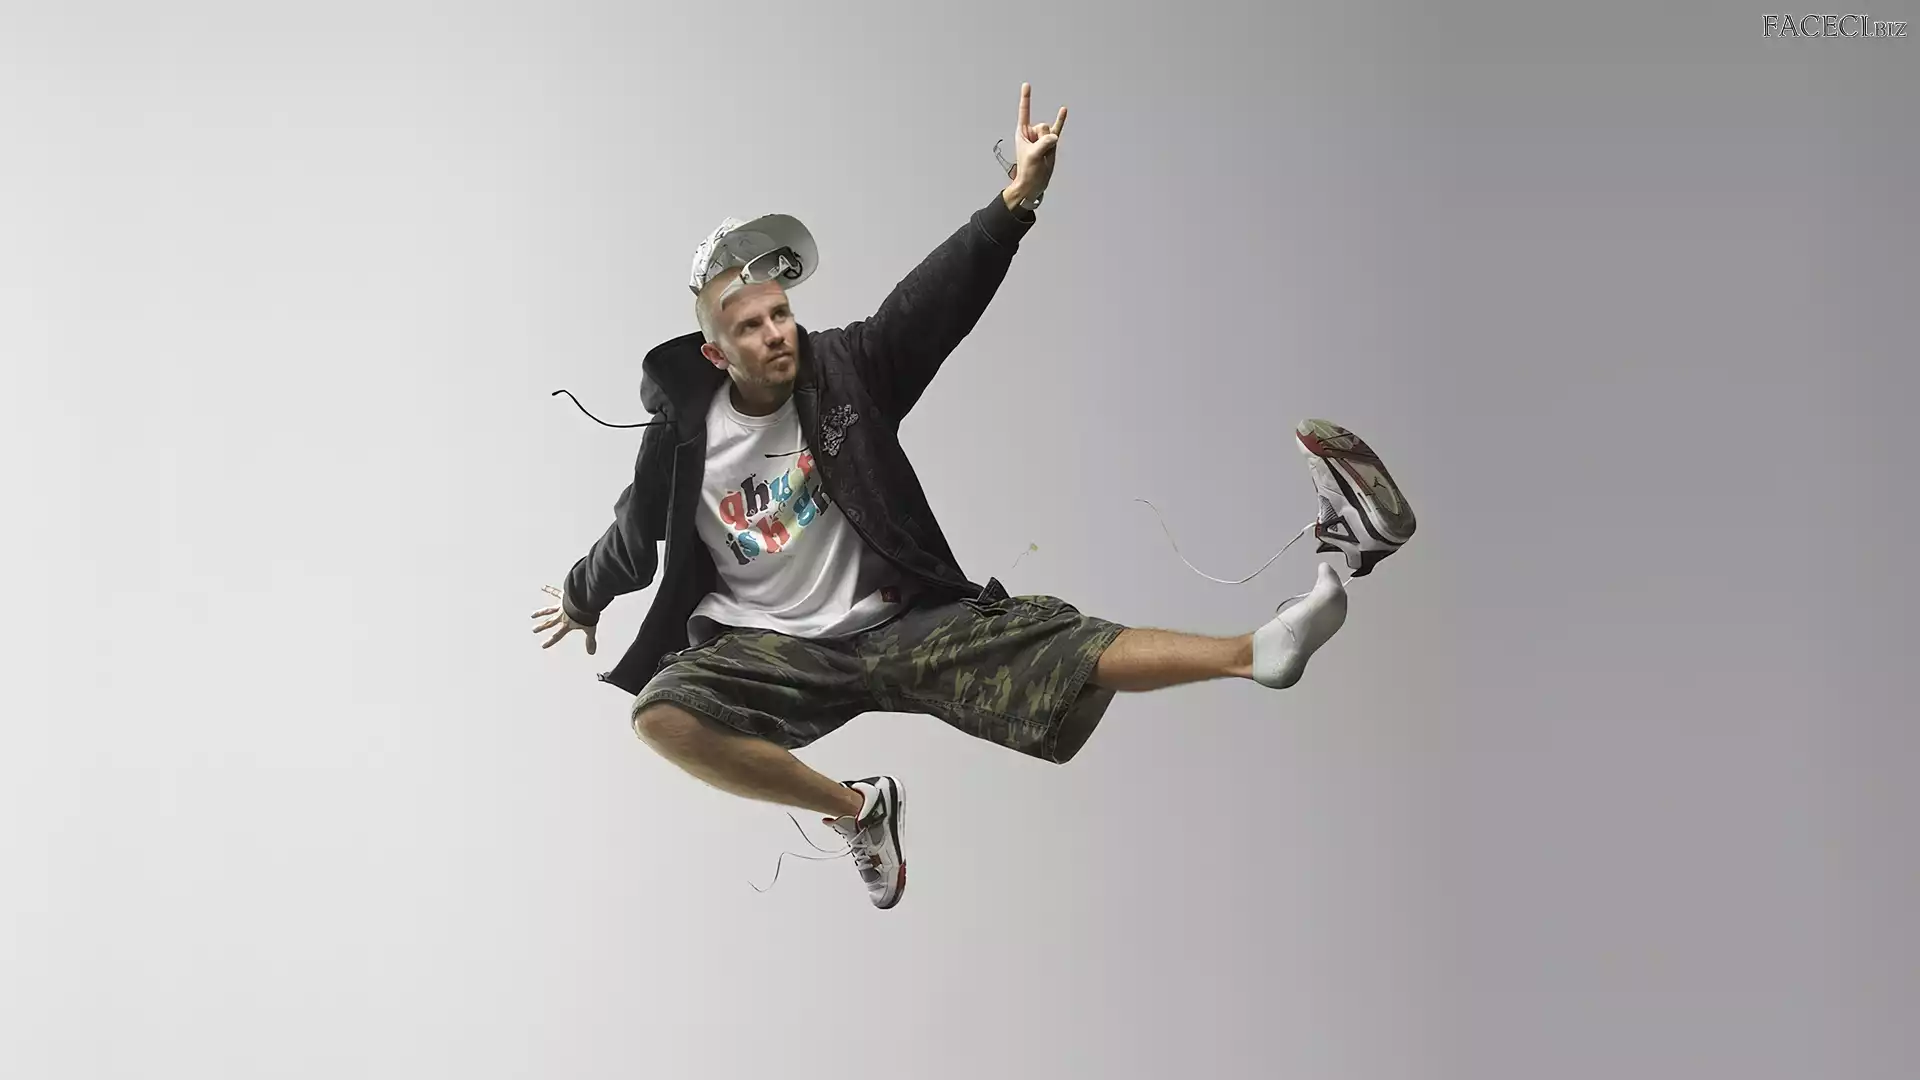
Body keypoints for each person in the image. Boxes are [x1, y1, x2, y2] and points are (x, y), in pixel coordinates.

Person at [531, 83, 1417, 910]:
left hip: (901, 623)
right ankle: (857, 810)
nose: (776, 334)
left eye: (780, 314)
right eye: (750, 327)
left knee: (1051, 647)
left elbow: (930, 306)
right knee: (663, 715)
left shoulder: (846, 370)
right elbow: (630, 541)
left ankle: (1257, 652)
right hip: (780, 652)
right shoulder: (682, 446)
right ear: (715, 352)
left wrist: (1014, 203)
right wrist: (580, 596)